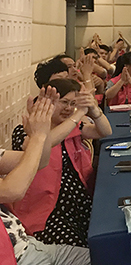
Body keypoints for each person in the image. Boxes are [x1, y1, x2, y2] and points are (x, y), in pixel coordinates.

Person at [12, 79, 112, 248]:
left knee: (106, 237)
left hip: (79, 202)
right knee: (81, 248)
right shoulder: (26, 131)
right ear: (46, 103)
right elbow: (45, 142)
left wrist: (94, 111)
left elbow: (105, 131)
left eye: (73, 104)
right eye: (64, 102)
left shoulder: (73, 127)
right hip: (48, 210)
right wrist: (77, 114)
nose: (68, 108)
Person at [1, 96, 92, 265]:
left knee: (106, 255)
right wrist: (37, 137)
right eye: (64, 102)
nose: (67, 107)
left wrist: (40, 134)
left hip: (29, 245)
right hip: (16, 257)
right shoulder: (21, 132)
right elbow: (12, 191)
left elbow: (40, 162)